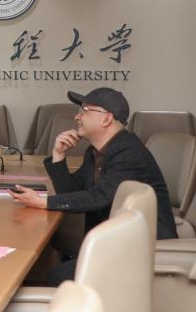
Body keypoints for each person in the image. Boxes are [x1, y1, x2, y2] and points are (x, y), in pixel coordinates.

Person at [10, 87, 177, 284]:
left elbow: (99, 197)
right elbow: (71, 192)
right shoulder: (95, 152)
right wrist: (58, 155)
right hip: (114, 242)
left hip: (143, 248)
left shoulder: (128, 152)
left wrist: (43, 202)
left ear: (106, 119)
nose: (77, 116)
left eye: (84, 110)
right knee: (50, 270)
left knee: (57, 276)